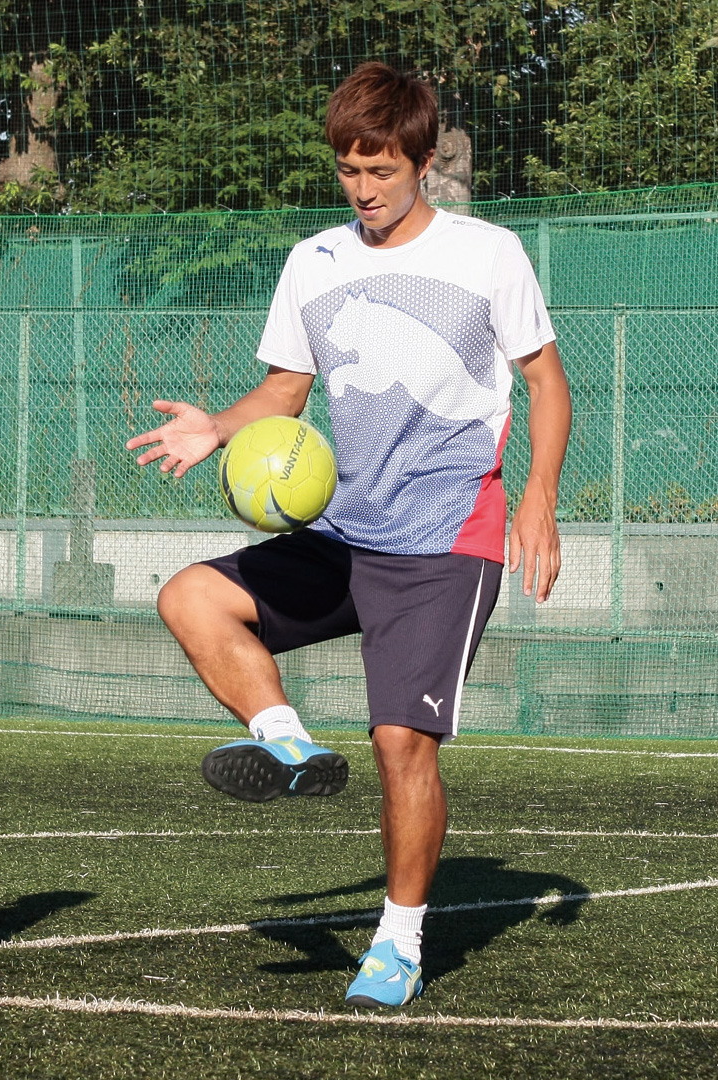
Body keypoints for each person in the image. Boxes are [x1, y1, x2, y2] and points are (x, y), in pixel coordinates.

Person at [126, 62, 571, 1008]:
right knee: (190, 596)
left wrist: (538, 495)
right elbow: (284, 393)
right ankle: (287, 745)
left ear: (419, 159)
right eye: (348, 171)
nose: (364, 190)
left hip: (446, 535)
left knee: (401, 744)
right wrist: (217, 426)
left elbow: (544, 382)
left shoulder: (488, 255)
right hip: (344, 528)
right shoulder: (312, 262)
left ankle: (399, 943)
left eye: (381, 170)